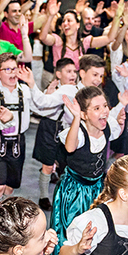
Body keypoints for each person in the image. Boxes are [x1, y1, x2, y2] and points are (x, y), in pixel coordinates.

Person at [41, 86, 127, 255]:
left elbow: (117, 126)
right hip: (73, 190)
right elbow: (70, 148)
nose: (104, 111)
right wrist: (75, 119)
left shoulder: (107, 127)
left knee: (92, 231)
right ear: (85, 114)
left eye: (105, 106)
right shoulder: (77, 133)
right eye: (96, 108)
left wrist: (121, 106)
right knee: (64, 230)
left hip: (97, 189)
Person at [0, 57, 55, 199]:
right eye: (7, 69)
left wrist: (33, 85)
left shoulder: (25, 90)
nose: (12, 73)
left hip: (18, 143)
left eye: (14, 68)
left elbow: (41, 107)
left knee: (10, 187)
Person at [31, 56, 76, 210]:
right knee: (48, 165)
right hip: (49, 128)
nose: (73, 75)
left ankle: (63, 196)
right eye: (68, 71)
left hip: (66, 129)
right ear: (58, 74)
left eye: (74, 71)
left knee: (65, 165)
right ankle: (43, 197)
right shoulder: (52, 90)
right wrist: (48, 94)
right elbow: (40, 107)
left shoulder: (75, 90)